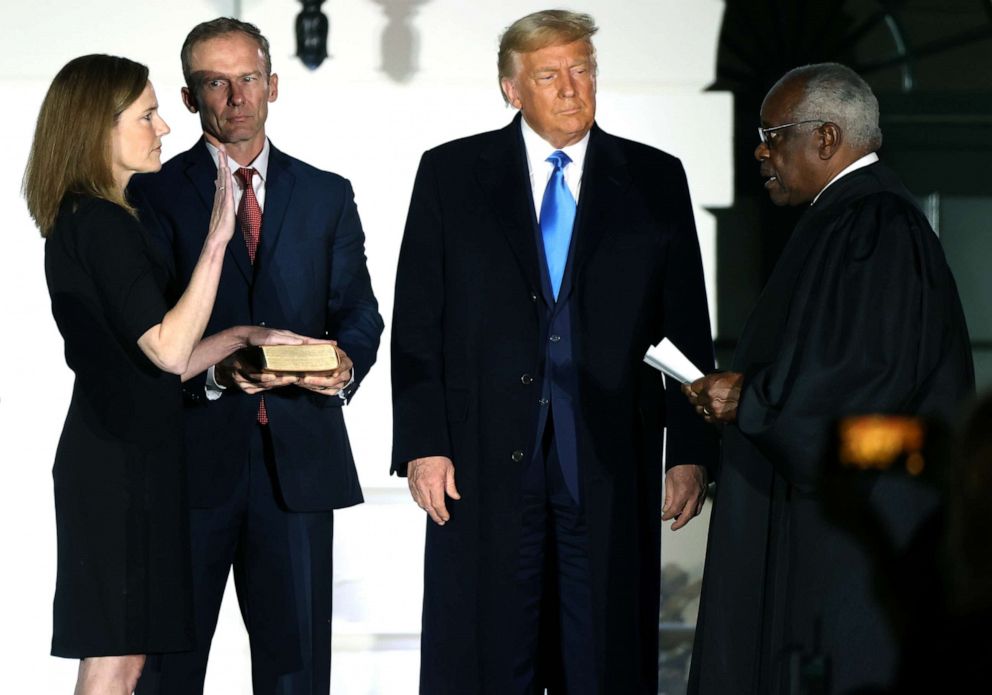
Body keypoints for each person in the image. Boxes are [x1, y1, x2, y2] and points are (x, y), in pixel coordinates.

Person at [391, 10, 718, 694]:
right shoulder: (451, 175)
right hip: (479, 466)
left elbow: (684, 328)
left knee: (603, 660)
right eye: (550, 75)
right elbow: (420, 322)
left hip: (607, 459)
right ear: (512, 89)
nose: (573, 88)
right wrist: (424, 442)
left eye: (583, 70)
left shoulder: (656, 178)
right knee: (487, 659)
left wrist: (689, 450)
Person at [684, 63, 974, 695]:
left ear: (824, 138)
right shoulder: (847, 219)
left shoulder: (876, 226)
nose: (760, 150)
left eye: (772, 133)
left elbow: (861, 382)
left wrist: (751, 401)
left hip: (858, 535)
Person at [24, 54, 307, 695]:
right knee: (116, 662)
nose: (164, 129)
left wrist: (241, 336)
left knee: (125, 659)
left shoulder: (91, 219)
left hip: (128, 457)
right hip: (119, 467)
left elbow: (152, 356)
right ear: (100, 128)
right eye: (147, 115)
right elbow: (169, 353)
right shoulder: (99, 221)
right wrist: (217, 238)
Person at [129, 18, 383, 695]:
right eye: (216, 81)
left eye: (248, 78)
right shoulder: (149, 195)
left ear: (272, 84)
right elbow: (146, 335)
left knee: (298, 678)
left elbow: (359, 312)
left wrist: (343, 367)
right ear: (189, 98)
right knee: (164, 675)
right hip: (186, 470)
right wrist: (217, 372)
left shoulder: (327, 193)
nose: (236, 97)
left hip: (299, 468)